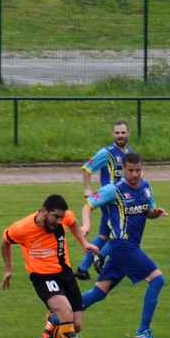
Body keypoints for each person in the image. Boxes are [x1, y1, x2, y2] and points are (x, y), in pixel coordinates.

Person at [0, 194, 99, 338]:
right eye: (55, 217)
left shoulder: (64, 217)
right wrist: (8, 269)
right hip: (43, 277)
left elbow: (73, 222)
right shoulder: (21, 228)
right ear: (44, 211)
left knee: (76, 325)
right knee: (65, 313)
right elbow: (5, 242)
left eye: (61, 217)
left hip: (65, 274)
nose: (59, 221)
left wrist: (84, 243)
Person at [81, 152, 169, 338]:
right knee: (157, 280)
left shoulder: (146, 187)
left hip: (128, 247)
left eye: (138, 170)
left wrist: (155, 213)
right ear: (123, 170)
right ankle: (143, 331)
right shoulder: (114, 190)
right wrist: (86, 225)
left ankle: (58, 317)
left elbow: (148, 212)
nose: (135, 174)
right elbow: (88, 205)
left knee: (99, 292)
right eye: (130, 170)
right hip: (122, 245)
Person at [74, 120, 133, 281]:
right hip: (112, 201)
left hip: (124, 201)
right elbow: (87, 168)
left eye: (123, 132)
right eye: (117, 133)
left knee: (105, 235)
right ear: (112, 134)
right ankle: (100, 258)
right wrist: (87, 188)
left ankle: (82, 269)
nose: (120, 136)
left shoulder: (129, 153)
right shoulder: (107, 153)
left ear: (128, 134)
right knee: (121, 234)